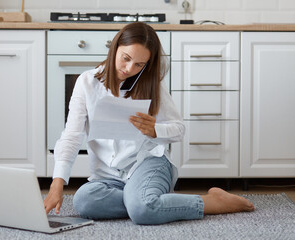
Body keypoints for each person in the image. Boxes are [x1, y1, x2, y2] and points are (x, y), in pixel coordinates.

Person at [44, 22, 254, 225]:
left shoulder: (152, 86)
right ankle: (145, 199)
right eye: (125, 58)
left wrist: (155, 130)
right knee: (84, 201)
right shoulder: (87, 82)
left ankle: (212, 201)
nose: (129, 68)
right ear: (115, 47)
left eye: (139, 65)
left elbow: (179, 130)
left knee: (142, 210)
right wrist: (56, 184)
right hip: (108, 175)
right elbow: (71, 135)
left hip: (148, 163)